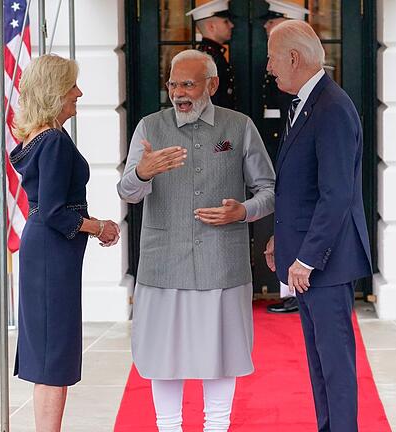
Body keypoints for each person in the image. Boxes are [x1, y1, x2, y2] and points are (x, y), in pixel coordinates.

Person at [117, 49, 275, 432]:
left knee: (221, 354)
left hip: (222, 264)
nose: (178, 92)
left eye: (187, 83)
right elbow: (127, 193)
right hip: (163, 263)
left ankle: (216, 427)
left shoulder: (239, 126)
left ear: (212, 85)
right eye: (172, 84)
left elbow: (268, 189)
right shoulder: (149, 127)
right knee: (162, 355)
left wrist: (244, 211)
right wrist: (141, 172)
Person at [264, 20, 372, 432]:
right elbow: (301, 189)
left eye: (273, 58)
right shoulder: (310, 102)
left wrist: (306, 259)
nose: (270, 67)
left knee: (335, 366)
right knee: (319, 363)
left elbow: (336, 194)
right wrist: (281, 238)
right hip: (311, 259)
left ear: (293, 58)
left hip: (326, 264)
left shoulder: (332, 107)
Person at [10, 54, 120, 432]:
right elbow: (56, 211)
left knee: (48, 350)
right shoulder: (54, 140)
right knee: (52, 354)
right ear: (55, 92)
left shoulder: (38, 135)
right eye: (72, 86)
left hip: (47, 250)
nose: (79, 92)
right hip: (51, 251)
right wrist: (99, 226)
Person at [259, 0, 310, 315]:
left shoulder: (303, 70)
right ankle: (287, 286)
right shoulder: (280, 66)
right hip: (281, 143)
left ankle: (293, 288)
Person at [187, 0, 237, 109]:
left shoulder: (213, 54)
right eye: (226, 21)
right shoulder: (207, 58)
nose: (232, 25)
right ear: (211, 26)